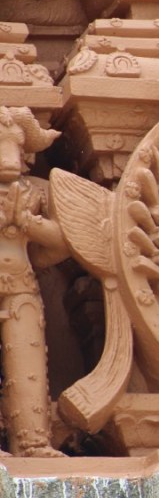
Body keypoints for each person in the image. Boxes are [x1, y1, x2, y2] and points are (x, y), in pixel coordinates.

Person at [0, 107, 67, 457]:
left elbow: (65, 241)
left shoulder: (35, 192)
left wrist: (28, 223)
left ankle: (33, 441)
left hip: (22, 284)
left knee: (28, 362)